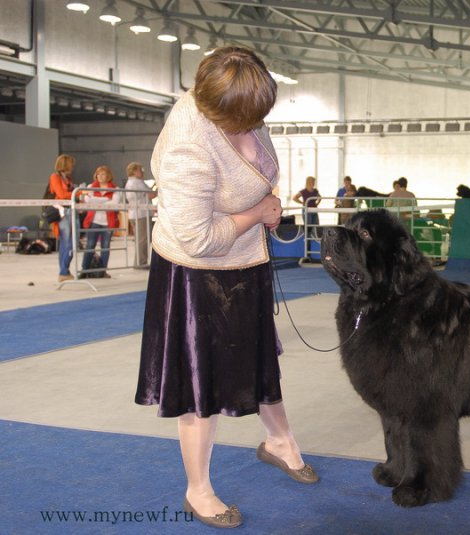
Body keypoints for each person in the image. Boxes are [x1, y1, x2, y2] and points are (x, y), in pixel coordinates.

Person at [134, 46, 318, 530]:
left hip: (245, 260)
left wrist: (266, 201)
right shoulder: (186, 146)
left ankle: (280, 442)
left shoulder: (241, 104)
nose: (256, 124)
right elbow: (198, 238)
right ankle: (198, 489)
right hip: (196, 274)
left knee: (259, 359)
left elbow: (256, 168)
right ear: (217, 108)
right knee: (201, 382)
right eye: (248, 118)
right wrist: (257, 213)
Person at [79, 165, 122, 278]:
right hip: (94, 221)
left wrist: (97, 202)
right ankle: (84, 271)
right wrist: (106, 200)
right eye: (99, 174)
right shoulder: (90, 187)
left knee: (105, 247)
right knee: (90, 245)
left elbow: (115, 204)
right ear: (96, 176)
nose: (101, 176)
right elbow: (88, 201)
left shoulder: (115, 189)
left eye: (104, 174)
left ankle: (102, 271)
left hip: (108, 223)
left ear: (108, 176)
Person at [49, 154, 77, 282]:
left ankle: (64, 271)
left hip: (70, 211)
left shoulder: (68, 179)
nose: (73, 167)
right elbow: (61, 194)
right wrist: (79, 192)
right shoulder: (55, 177)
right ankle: (63, 271)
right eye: (71, 164)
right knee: (69, 243)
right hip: (63, 213)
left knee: (66, 244)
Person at [125, 162, 157, 268]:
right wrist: (157, 188)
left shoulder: (129, 183)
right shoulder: (138, 183)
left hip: (134, 214)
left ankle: (139, 262)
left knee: (140, 239)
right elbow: (152, 195)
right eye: (140, 170)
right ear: (134, 171)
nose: (142, 172)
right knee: (143, 239)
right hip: (141, 215)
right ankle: (141, 263)